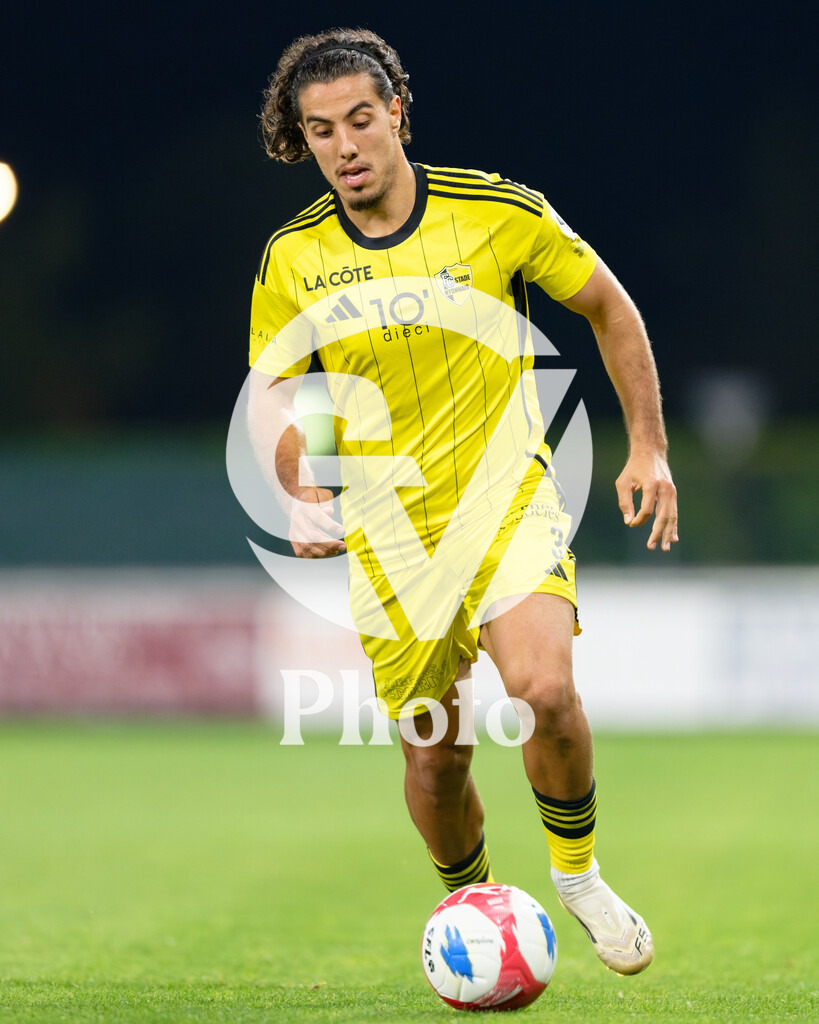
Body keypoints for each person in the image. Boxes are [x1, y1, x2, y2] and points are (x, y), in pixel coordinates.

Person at [246, 28, 678, 977]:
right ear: (305, 140)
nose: (345, 145)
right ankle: (474, 910)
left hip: (506, 499)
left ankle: (577, 878)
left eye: (360, 119)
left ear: (397, 111)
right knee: (437, 761)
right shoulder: (293, 258)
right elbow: (273, 392)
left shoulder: (496, 212)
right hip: (393, 538)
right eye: (321, 131)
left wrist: (647, 443)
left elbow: (608, 305)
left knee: (545, 692)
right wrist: (302, 487)